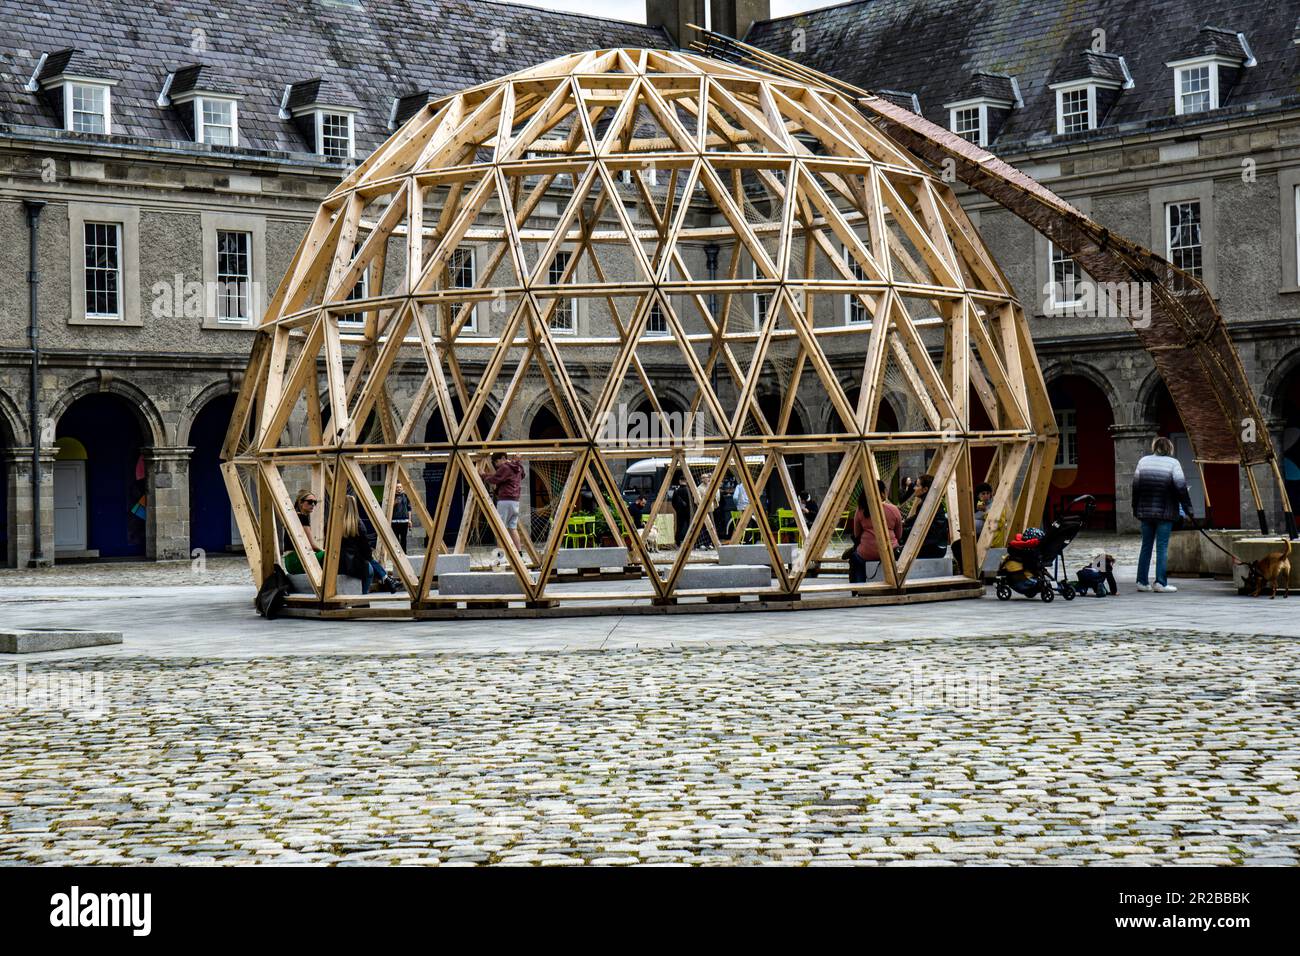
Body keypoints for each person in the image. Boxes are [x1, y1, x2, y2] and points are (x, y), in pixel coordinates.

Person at [1132, 435, 1194, 593]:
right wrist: (1188, 509)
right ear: (1169, 448)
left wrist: (1135, 508)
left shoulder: (1143, 462)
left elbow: (1136, 487)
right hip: (1165, 512)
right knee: (1162, 547)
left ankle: (1141, 581)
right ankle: (1160, 582)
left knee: (1146, 546)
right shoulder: (1173, 463)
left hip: (1145, 512)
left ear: (1154, 447)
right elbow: (1181, 487)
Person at [340, 496, 402, 594]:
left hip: (339, 563)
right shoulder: (358, 524)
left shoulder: (334, 524)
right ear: (354, 507)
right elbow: (366, 550)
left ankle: (387, 579)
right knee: (369, 567)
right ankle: (382, 583)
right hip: (354, 564)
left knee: (368, 563)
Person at [849, 480, 903, 583]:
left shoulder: (861, 510)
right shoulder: (893, 510)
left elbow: (856, 534)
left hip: (866, 552)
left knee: (855, 559)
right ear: (882, 493)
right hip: (890, 550)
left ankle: (858, 588)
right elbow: (899, 534)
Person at [481, 451, 525, 555]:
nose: (496, 466)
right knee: (513, 528)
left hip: (505, 500)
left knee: (500, 528)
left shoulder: (505, 467)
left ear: (502, 459)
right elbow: (522, 475)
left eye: (496, 462)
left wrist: (483, 475)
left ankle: (500, 556)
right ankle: (519, 553)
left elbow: (495, 479)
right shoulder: (518, 467)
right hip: (515, 501)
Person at [901, 473, 949, 558]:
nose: (914, 488)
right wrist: (904, 523)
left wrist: (901, 530)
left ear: (925, 489)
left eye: (917, 485)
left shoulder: (927, 504)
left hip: (933, 547)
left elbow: (920, 528)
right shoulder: (930, 502)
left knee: (897, 553)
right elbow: (916, 519)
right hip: (937, 545)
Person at [283, 488, 324, 575]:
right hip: (296, 560)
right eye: (309, 502)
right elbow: (312, 546)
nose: (313, 504)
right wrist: (324, 551)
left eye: (315, 502)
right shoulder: (302, 517)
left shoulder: (294, 516)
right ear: (301, 503)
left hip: (289, 563)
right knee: (329, 556)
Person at [671, 474, 692, 548]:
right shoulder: (689, 490)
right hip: (689, 512)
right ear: (686, 481)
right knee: (690, 526)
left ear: (680, 481)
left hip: (680, 512)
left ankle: (678, 542)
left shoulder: (676, 491)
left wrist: (677, 509)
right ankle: (690, 542)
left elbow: (673, 502)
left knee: (679, 527)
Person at [390, 482, 412, 553]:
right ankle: (396, 554)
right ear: (395, 488)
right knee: (395, 539)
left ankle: (404, 554)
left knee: (403, 539)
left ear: (402, 488)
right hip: (395, 521)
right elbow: (389, 508)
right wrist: (394, 503)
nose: (398, 488)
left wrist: (409, 520)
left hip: (404, 521)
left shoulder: (406, 496)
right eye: (397, 487)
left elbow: (409, 509)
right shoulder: (392, 496)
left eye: (400, 487)